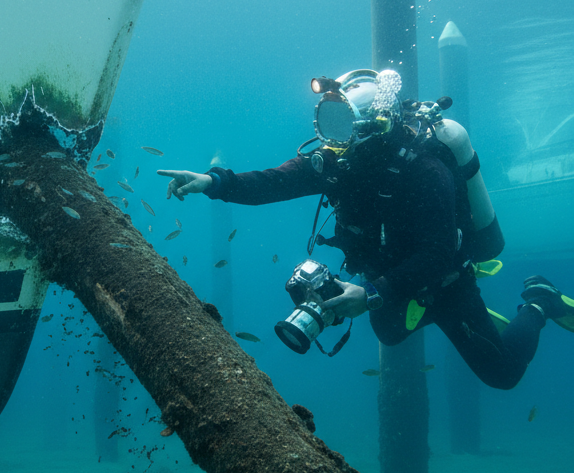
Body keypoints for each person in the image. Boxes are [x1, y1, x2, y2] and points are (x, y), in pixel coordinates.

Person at [158, 68, 574, 390]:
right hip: (388, 282)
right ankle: (422, 310)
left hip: (444, 283)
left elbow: (438, 254)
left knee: (503, 374)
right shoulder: (337, 162)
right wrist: (214, 182)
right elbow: (274, 181)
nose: (334, 140)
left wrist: (373, 293)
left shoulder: (425, 171)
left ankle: (539, 304)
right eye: (331, 124)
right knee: (390, 333)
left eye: (344, 125)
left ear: (374, 124)